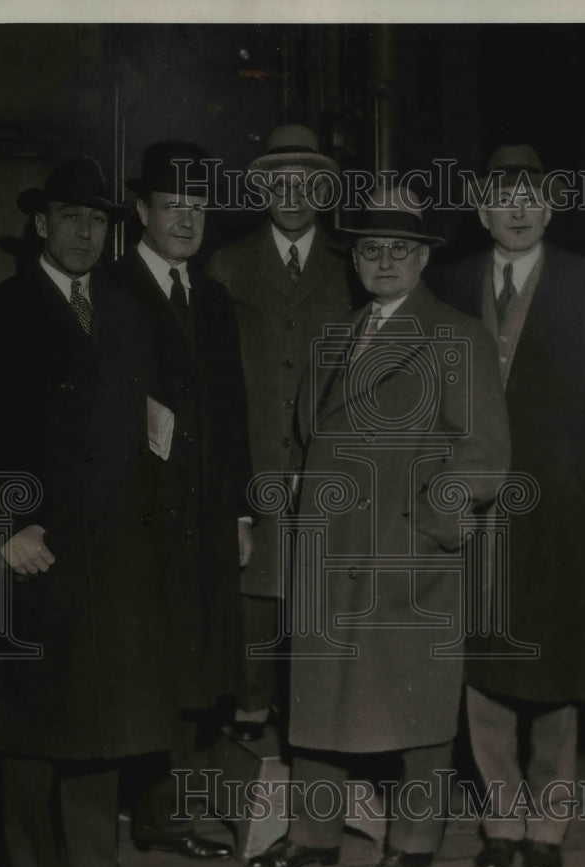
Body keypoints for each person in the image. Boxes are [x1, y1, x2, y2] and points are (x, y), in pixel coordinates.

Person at [0, 156, 183, 867]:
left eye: (98, 219)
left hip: (115, 562)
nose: (84, 230)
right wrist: (1, 531)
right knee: (29, 735)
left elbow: (155, 431)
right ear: (39, 223)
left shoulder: (128, 310)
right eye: (70, 215)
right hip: (30, 557)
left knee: (101, 725)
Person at [245, 186, 510, 867]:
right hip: (327, 549)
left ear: (423, 258)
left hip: (406, 553)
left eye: (400, 249)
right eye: (371, 249)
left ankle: (415, 843)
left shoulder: (457, 335)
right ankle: (313, 834)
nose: (385, 260)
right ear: (355, 260)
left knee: (418, 705)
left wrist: (425, 528)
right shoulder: (337, 332)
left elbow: (483, 456)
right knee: (319, 700)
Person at [426, 143, 585, 867]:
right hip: (478, 516)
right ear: (483, 210)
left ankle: (547, 831)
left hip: (563, 518)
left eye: (531, 196)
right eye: (502, 196)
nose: (517, 210)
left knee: (558, 675)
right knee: (481, 670)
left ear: (550, 207)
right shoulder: (448, 284)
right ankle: (499, 824)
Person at [112, 141, 253, 859]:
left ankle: (181, 805)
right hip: (138, 517)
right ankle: (153, 812)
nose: (187, 221)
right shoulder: (109, 290)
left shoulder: (215, 296)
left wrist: (239, 511)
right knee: (149, 662)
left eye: (198, 208)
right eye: (174, 207)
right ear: (143, 212)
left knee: (201, 661)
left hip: (204, 517)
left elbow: (233, 414)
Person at [206, 125, 357, 742]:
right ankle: (250, 728)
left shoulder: (352, 264)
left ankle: (318, 734)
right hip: (253, 467)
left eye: (307, 182)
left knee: (323, 604)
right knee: (255, 603)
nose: (292, 193)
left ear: (325, 190)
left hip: (328, 472)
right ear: (261, 187)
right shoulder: (226, 264)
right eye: (279, 181)